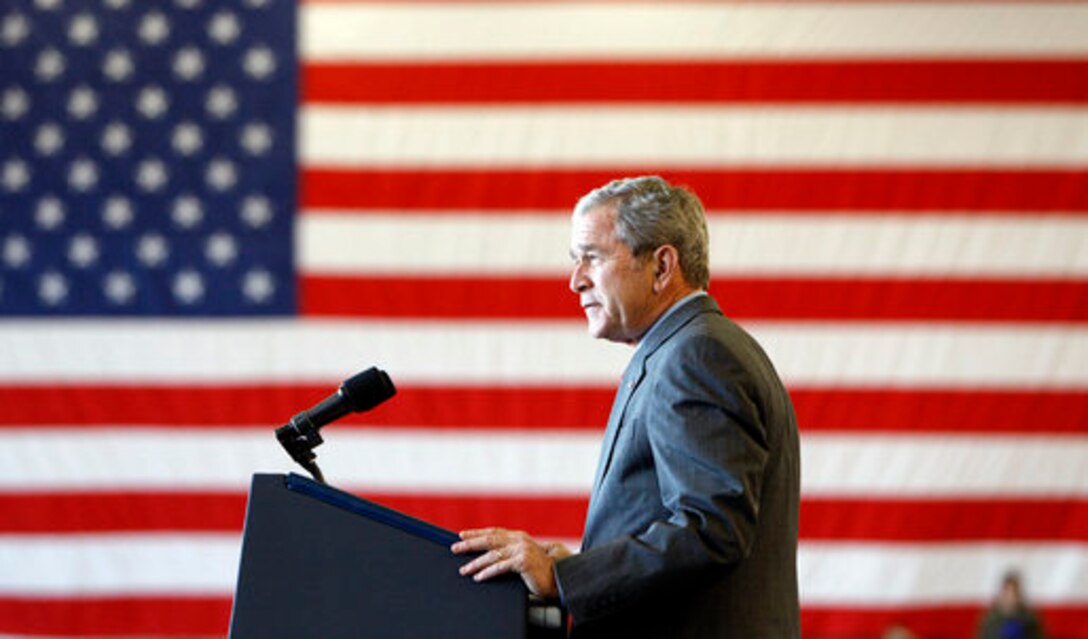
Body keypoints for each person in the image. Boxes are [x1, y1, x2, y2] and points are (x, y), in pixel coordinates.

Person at [452, 176, 801, 638]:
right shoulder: (690, 348)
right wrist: (585, 567)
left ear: (661, 266)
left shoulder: (696, 357)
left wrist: (566, 578)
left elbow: (710, 531)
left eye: (592, 257)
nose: (575, 280)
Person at [978, 571, 1045, 639]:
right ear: (1002, 594)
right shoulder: (990, 621)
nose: (1011, 597)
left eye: (1014, 593)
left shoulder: (1030, 620)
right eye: (1007, 592)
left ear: (1019, 595)